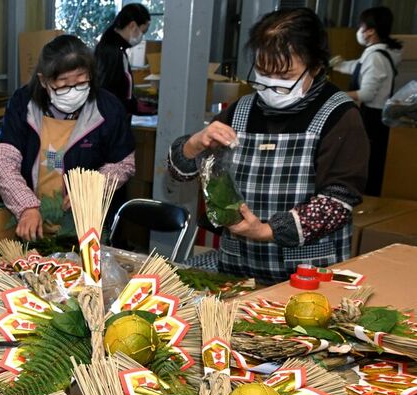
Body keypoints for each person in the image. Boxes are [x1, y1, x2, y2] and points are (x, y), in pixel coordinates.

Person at [168, 8, 368, 285]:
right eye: (263, 72)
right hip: (237, 269)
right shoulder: (241, 110)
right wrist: (193, 145)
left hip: (307, 278)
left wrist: (266, 230)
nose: (272, 84)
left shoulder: (340, 116)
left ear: (317, 66)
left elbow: (336, 202)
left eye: (285, 76)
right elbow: (180, 173)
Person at [0, 35, 136, 241]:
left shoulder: (108, 109)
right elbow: (3, 159)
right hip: (28, 226)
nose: (73, 91)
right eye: (63, 84)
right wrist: (26, 206)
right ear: (44, 80)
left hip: (84, 228)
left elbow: (123, 163)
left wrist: (90, 189)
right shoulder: (23, 103)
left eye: (81, 81)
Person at [333, 6, 402, 196]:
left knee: (369, 163)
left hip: (373, 117)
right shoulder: (379, 53)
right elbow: (357, 67)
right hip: (376, 116)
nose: (359, 31)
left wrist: (336, 95)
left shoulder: (376, 57)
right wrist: (337, 65)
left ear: (371, 30)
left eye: (361, 26)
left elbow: (366, 94)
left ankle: (369, 201)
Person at [94, 3, 153, 116]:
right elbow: (108, 93)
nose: (142, 37)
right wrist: (133, 107)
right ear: (132, 25)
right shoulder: (111, 52)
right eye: (143, 32)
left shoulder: (114, 47)